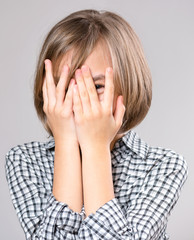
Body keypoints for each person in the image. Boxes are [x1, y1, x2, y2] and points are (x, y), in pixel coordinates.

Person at [5, 9, 188, 240]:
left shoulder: (162, 166)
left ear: (127, 86)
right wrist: (66, 142)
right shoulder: (25, 161)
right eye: (63, 85)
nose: (78, 98)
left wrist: (95, 147)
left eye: (97, 86)